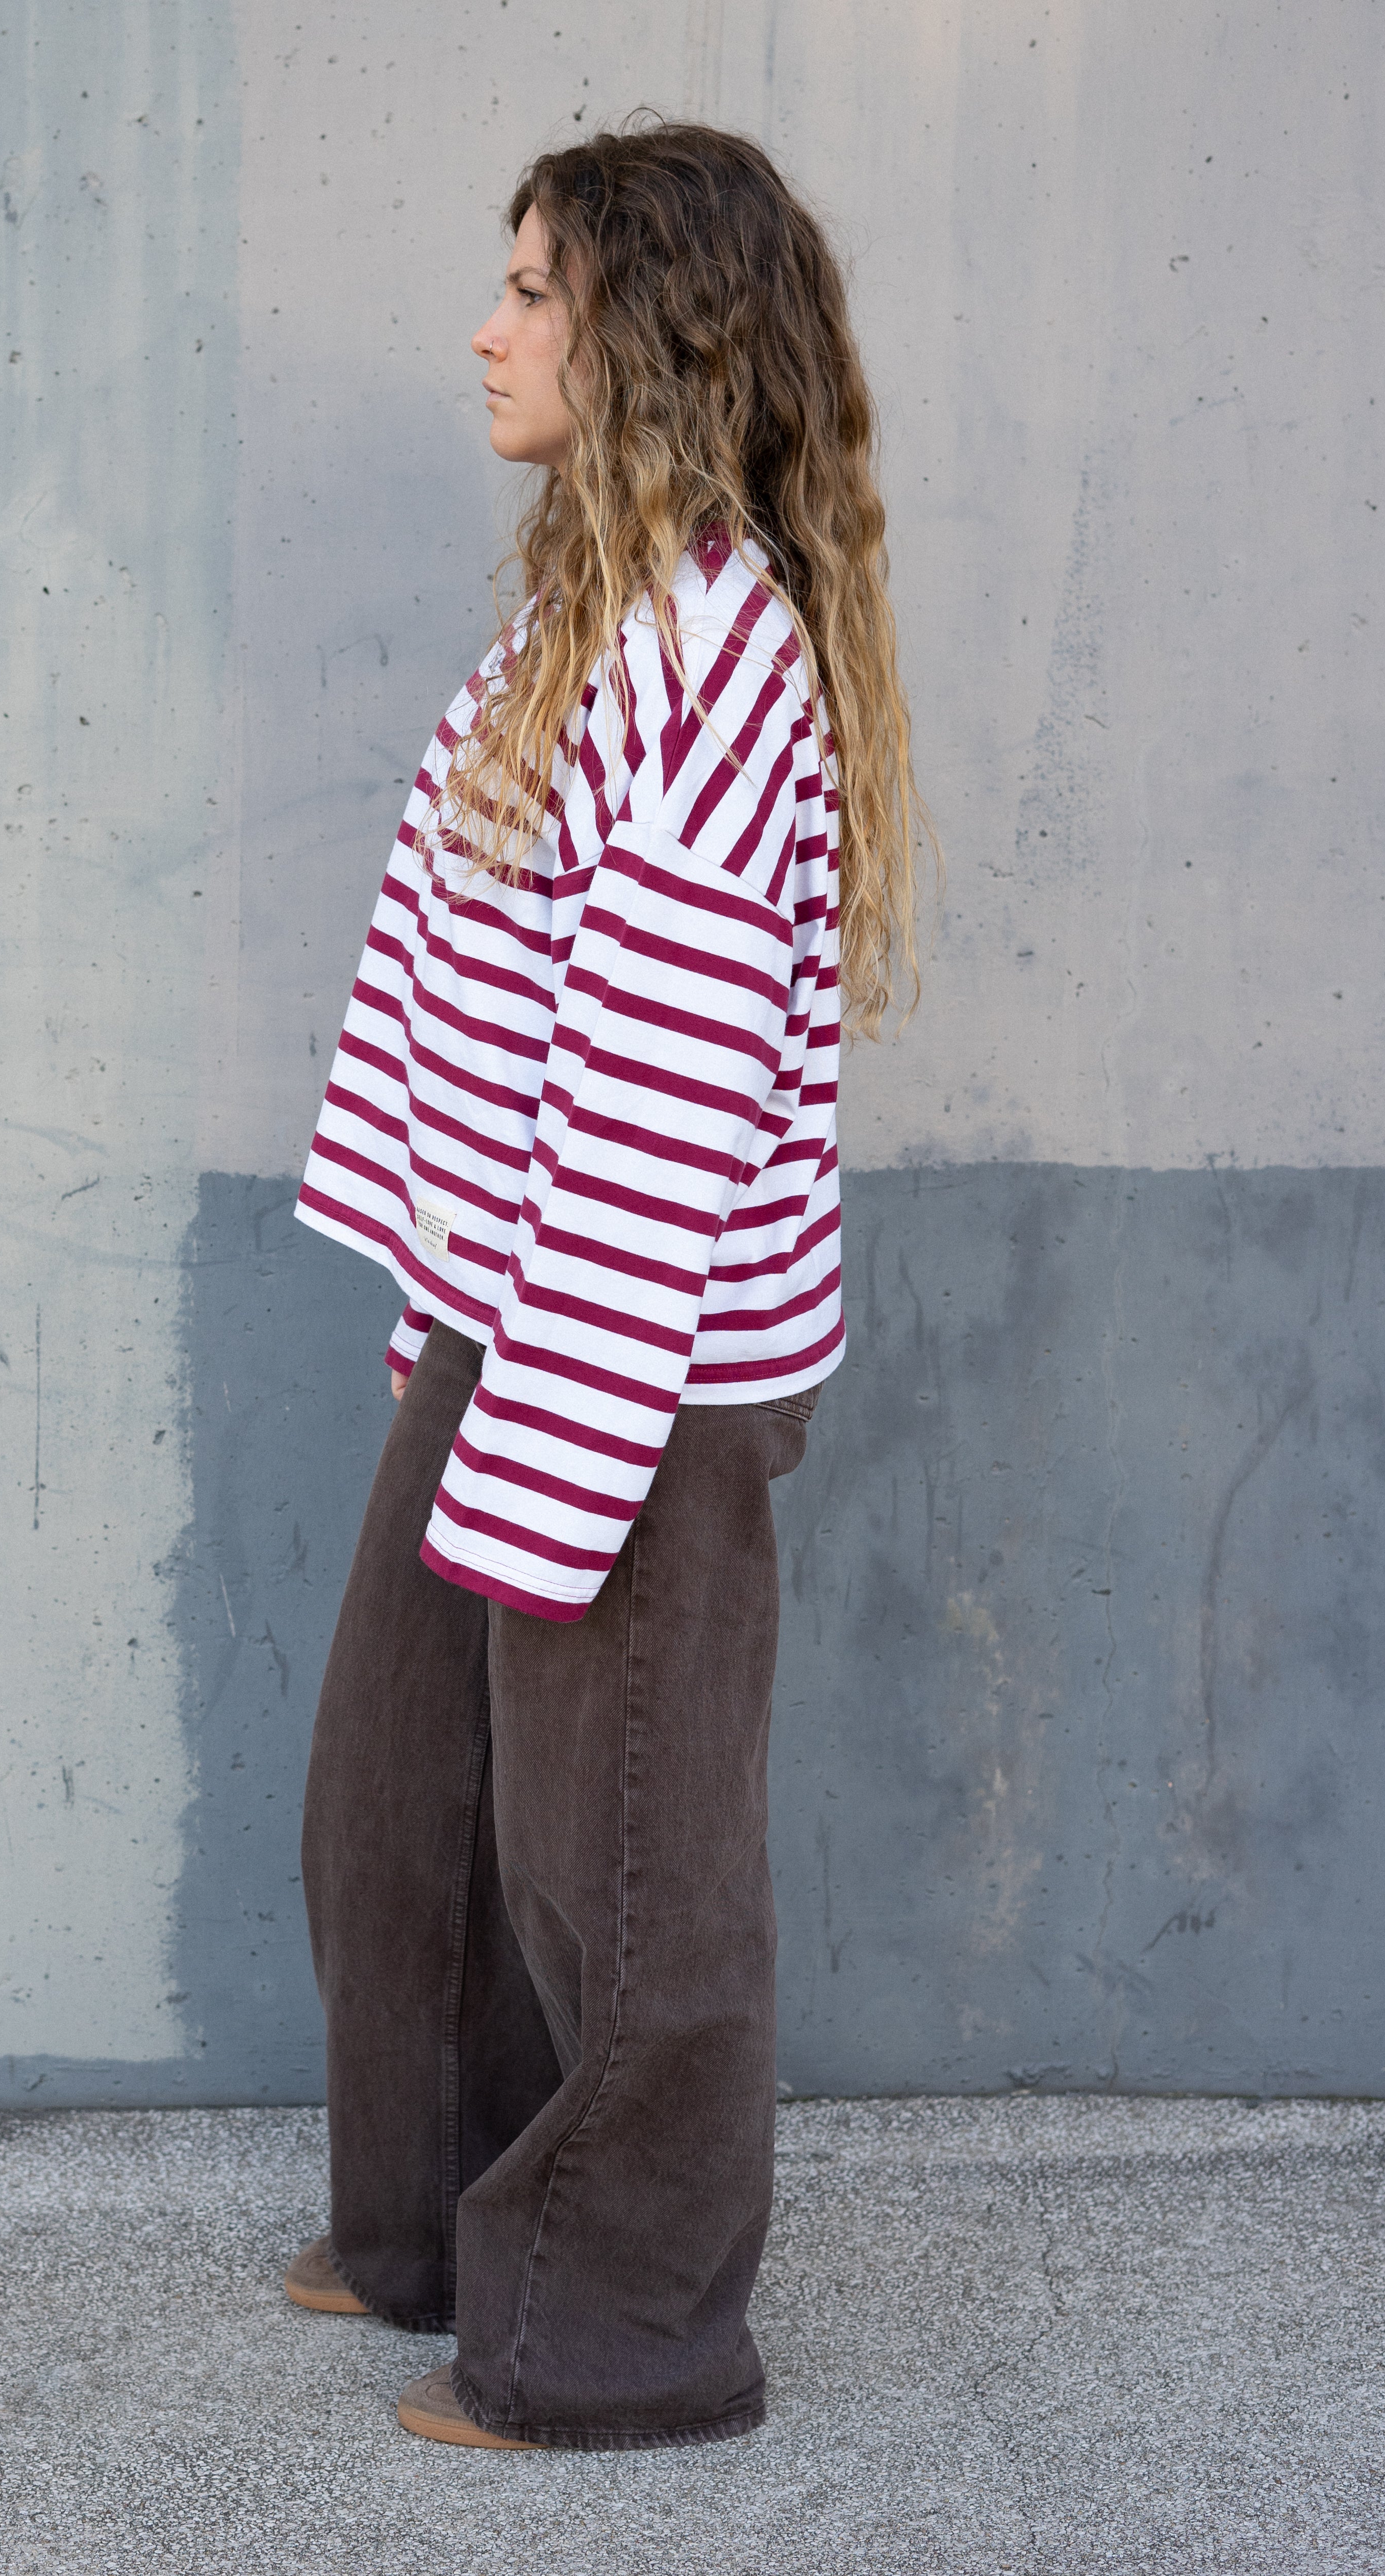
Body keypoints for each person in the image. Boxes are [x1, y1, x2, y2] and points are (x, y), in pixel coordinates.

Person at [285, 118, 928, 2452]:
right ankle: (438, 2232)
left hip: (621, 1355)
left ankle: (621, 2336)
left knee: (626, 1878)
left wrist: (555, 1437)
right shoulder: (599, 617)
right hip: (507, 1307)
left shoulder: (708, 668)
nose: (486, 326)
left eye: (536, 290)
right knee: (402, 1807)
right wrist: (452, 1328)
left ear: (650, 335)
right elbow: (490, 1016)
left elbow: (653, 1123)